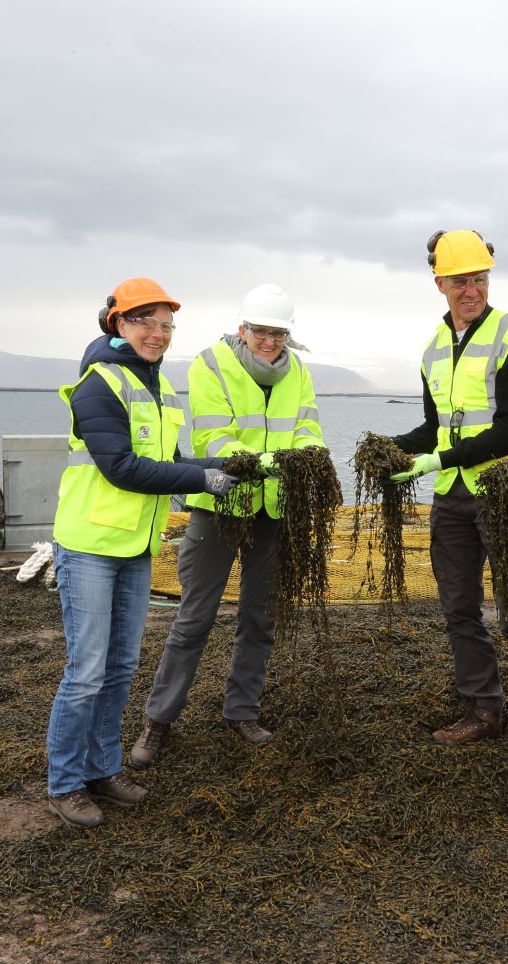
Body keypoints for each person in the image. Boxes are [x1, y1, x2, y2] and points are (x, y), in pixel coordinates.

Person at [45, 277, 238, 829]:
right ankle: (64, 784)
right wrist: (204, 476)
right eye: (145, 322)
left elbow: (170, 460)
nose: (158, 334)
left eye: (166, 325)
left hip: (134, 545)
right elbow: (122, 468)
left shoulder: (158, 389)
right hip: (88, 545)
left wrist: (218, 479)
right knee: (85, 672)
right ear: (117, 323)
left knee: (121, 666)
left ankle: (103, 770)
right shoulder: (97, 387)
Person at [129, 284, 324, 768]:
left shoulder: (297, 369)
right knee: (194, 617)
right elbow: (212, 435)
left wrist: (309, 454)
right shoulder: (210, 364)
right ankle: (159, 719)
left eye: (278, 333)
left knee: (259, 618)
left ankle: (242, 710)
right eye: (260, 331)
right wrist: (269, 460)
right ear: (242, 329)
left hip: (272, 511)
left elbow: (308, 425)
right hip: (218, 506)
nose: (269, 341)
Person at [388, 229, 508, 795]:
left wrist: (438, 457)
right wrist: (395, 448)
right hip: (453, 498)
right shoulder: (435, 345)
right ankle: (483, 711)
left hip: (504, 494)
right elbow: (435, 427)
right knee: (459, 609)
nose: (471, 289)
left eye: (479, 278)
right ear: (439, 283)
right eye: (460, 280)